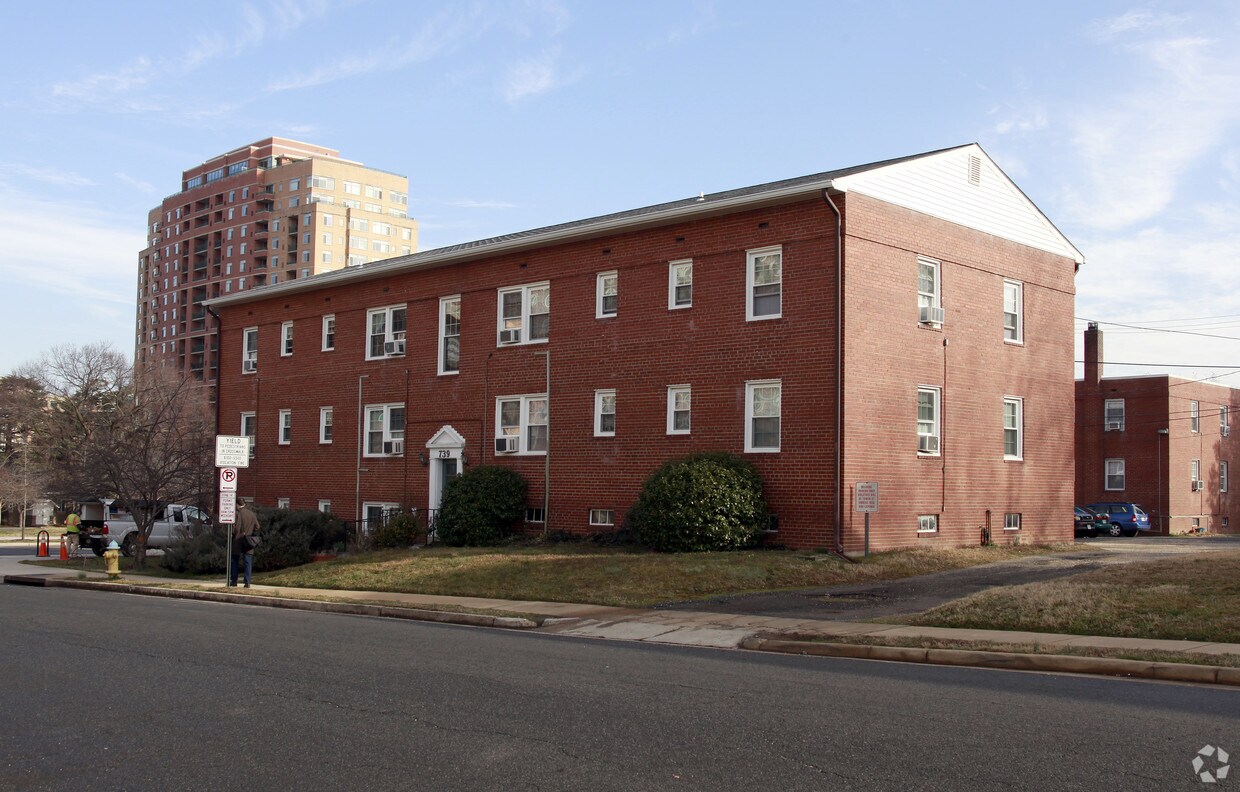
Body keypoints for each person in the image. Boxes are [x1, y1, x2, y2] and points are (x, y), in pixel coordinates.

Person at [229, 499, 260, 588]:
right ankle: (247, 582)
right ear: (244, 504)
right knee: (248, 561)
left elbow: (233, 528)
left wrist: (234, 534)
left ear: (237, 504)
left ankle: (234, 581)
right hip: (248, 540)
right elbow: (257, 527)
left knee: (235, 561)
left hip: (237, 540)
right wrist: (250, 531)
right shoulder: (252, 514)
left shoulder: (236, 514)